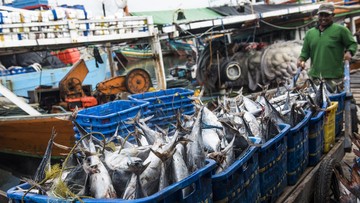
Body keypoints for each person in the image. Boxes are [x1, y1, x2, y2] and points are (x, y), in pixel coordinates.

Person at [297, 3, 358, 92]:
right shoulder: (310, 33)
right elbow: (305, 52)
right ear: (318, 15)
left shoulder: (341, 30)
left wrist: (349, 52)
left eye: (327, 15)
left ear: (333, 15)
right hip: (315, 78)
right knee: (316, 104)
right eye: (321, 15)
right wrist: (301, 59)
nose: (323, 18)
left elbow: (352, 44)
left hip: (335, 78)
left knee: (336, 103)